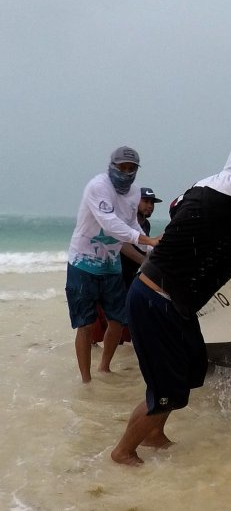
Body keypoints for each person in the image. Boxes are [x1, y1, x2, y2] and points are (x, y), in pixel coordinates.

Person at [111, 136, 231, 466]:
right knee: (166, 390)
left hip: (173, 301)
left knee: (189, 371)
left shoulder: (208, 187)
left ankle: (154, 434)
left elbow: (175, 206)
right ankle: (123, 452)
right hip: (156, 298)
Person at [66, 146, 159, 383]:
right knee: (86, 325)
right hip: (83, 263)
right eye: (122, 167)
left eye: (131, 168)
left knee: (118, 320)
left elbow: (131, 223)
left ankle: (104, 368)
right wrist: (146, 240)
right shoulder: (98, 186)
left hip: (111, 265)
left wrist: (152, 248)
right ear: (112, 165)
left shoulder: (134, 192)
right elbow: (109, 224)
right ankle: (86, 380)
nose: (126, 173)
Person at [92, 187, 163, 346]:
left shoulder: (145, 225)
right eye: (146, 201)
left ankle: (121, 351)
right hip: (110, 273)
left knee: (125, 319)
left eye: (152, 202)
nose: (150, 206)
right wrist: (145, 263)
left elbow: (145, 248)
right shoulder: (123, 220)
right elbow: (121, 244)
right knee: (98, 323)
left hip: (129, 274)